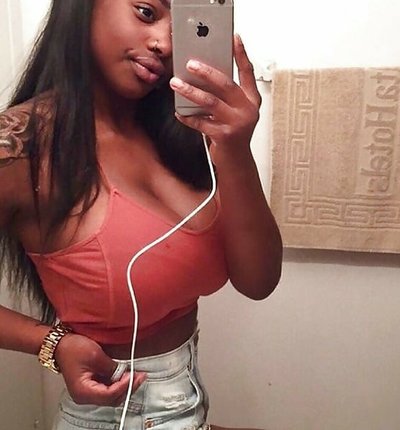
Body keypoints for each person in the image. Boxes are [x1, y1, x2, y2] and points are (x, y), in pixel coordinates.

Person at [0, 0, 282, 429]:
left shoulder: (183, 131)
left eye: (182, 23)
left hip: (190, 399)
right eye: (147, 13)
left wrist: (237, 150)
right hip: (112, 416)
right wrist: (51, 344)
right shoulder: (21, 147)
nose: (165, 44)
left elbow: (259, 281)